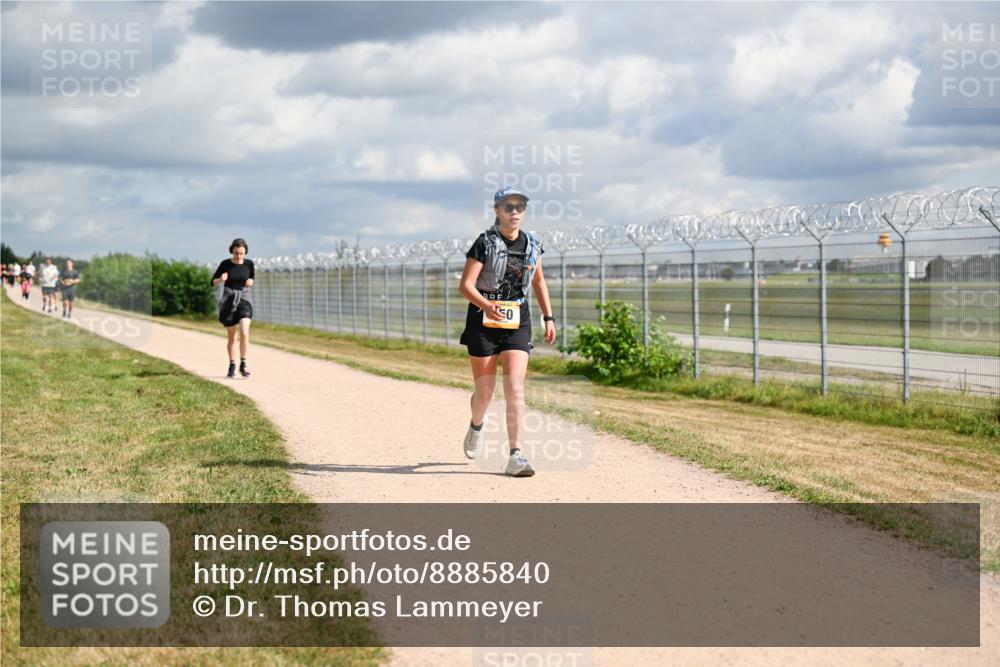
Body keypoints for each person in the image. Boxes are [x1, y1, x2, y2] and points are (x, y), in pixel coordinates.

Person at [457, 186, 557, 478]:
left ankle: (516, 455)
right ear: (497, 211)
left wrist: (548, 317)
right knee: (484, 392)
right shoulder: (484, 243)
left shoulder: (533, 245)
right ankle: (477, 424)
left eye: (520, 206)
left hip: (518, 318)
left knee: (514, 388)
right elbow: (466, 285)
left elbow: (538, 282)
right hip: (483, 319)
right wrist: (487, 306)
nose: (515, 212)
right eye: (508, 207)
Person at [211, 238, 255, 378]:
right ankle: (232, 364)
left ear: (245, 252)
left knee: (244, 331)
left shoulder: (249, 264)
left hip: (244, 299)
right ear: (232, 251)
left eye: (241, 253)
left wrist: (250, 282)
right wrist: (221, 279)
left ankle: (243, 365)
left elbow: (252, 279)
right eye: (236, 253)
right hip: (229, 300)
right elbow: (213, 282)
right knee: (232, 337)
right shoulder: (225, 264)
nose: (239, 256)